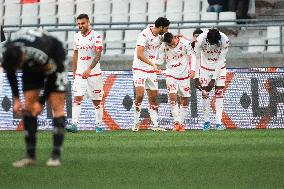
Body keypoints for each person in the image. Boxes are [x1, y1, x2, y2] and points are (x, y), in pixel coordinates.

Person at [1, 28, 67, 167]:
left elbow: (51, 77)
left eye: (20, 64)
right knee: (29, 106)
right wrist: (17, 99)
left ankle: (55, 156)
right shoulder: (6, 52)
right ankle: (30, 156)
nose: (19, 67)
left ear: (23, 56)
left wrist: (42, 102)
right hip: (31, 63)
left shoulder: (41, 53)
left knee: (57, 106)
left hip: (54, 55)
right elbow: (10, 73)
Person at [65, 14, 104, 133]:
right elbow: (75, 54)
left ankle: (99, 126)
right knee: (77, 98)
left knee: (96, 101)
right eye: (78, 24)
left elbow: (98, 55)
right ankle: (74, 125)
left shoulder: (96, 36)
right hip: (80, 74)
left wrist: (89, 69)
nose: (80, 26)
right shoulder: (76, 36)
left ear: (88, 23)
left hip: (94, 73)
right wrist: (74, 70)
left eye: (83, 23)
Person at [132, 17, 170, 132]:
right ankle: (136, 122)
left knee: (153, 98)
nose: (167, 30)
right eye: (166, 28)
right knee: (139, 95)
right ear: (161, 27)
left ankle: (156, 124)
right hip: (139, 68)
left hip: (151, 70)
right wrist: (153, 64)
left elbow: (170, 40)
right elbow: (139, 54)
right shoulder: (144, 35)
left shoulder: (160, 37)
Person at [156, 32, 196, 132]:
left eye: (172, 43)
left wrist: (193, 69)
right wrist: (151, 62)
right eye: (169, 44)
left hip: (184, 75)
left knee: (185, 99)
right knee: (173, 97)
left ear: (174, 37)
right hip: (171, 74)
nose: (172, 45)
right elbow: (160, 61)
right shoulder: (163, 46)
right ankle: (176, 122)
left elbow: (193, 56)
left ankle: (181, 123)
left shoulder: (185, 43)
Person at [194, 28, 229, 131]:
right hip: (205, 68)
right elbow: (197, 58)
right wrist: (196, 76)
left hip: (220, 68)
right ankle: (206, 121)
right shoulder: (200, 39)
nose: (213, 46)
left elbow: (221, 59)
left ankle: (218, 122)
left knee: (219, 92)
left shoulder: (225, 39)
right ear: (207, 40)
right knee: (205, 93)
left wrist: (214, 78)